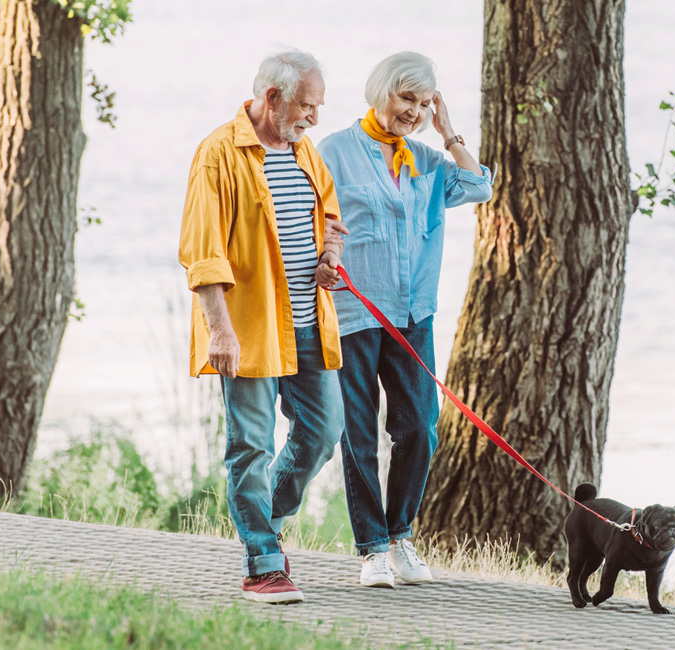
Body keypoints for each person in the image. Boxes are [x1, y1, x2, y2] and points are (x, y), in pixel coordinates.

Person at [179, 47, 349, 604]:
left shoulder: (305, 150)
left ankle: (264, 521)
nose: (314, 118)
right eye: (307, 106)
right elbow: (203, 253)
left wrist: (330, 256)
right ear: (272, 98)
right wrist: (219, 331)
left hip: (308, 322)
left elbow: (330, 215)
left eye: (319, 107)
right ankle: (263, 563)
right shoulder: (218, 154)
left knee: (323, 433)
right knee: (251, 445)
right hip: (248, 327)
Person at [317, 51, 491, 588]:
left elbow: (480, 186)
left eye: (422, 102)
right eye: (405, 99)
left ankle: (400, 536)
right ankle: (371, 549)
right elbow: (309, 217)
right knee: (358, 433)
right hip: (353, 312)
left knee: (419, 427)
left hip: (414, 313)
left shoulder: (428, 160)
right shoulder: (334, 152)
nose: (412, 111)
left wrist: (449, 132)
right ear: (381, 93)